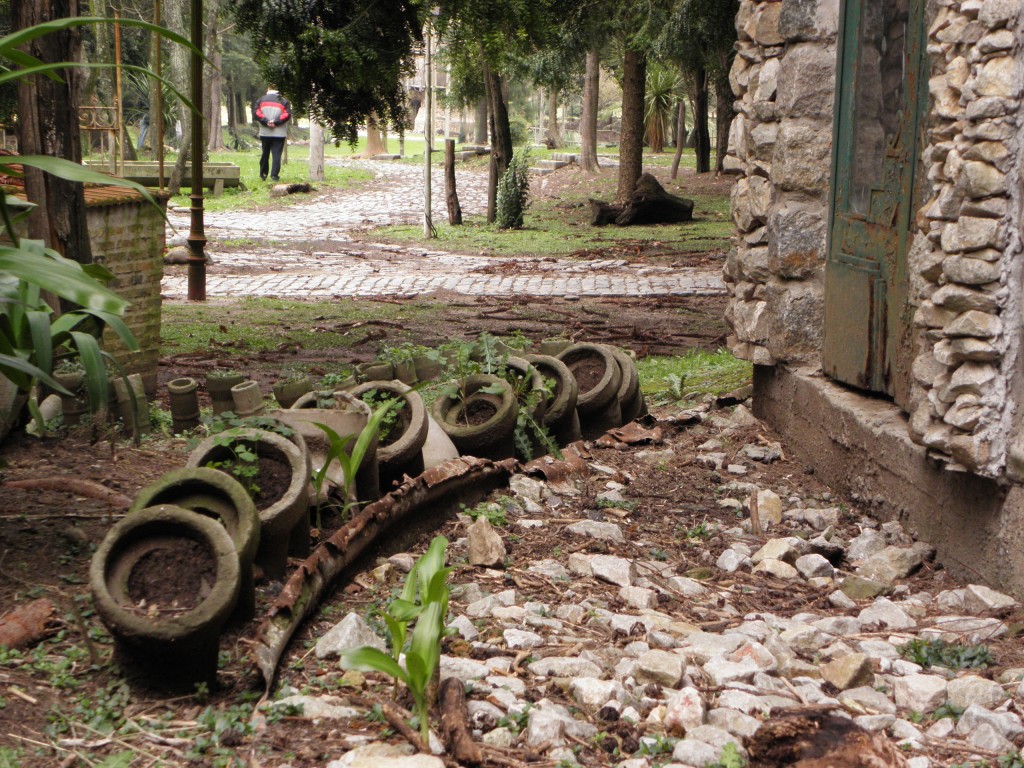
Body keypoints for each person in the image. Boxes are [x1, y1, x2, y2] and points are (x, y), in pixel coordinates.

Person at [253, 86, 291, 181]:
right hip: (279, 134)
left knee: (265, 153)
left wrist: (266, 121)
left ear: (268, 90)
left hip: (265, 132)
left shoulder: (260, 100)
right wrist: (276, 121)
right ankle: (274, 176)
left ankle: (263, 174)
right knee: (277, 155)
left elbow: (257, 113)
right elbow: (286, 114)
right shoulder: (284, 101)